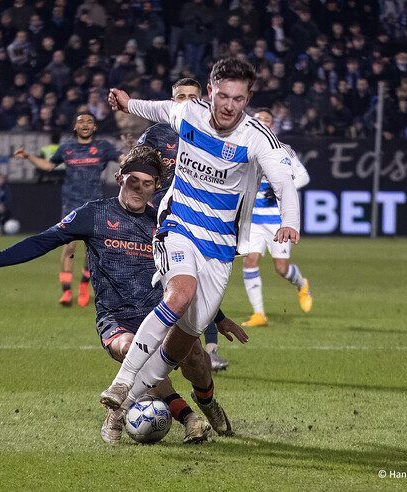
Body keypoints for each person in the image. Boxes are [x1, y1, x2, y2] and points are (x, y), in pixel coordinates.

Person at [0, 146, 246, 444]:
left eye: (147, 184)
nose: (139, 189)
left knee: (197, 361)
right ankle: (183, 417)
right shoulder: (94, 214)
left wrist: (217, 318)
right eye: (133, 181)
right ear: (120, 178)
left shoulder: (164, 223)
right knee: (136, 352)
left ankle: (206, 404)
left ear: (156, 187)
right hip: (115, 319)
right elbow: (44, 240)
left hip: (159, 314)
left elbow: (184, 276)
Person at [99, 58, 301, 423]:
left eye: (238, 99)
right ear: (211, 91)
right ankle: (122, 383)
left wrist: (290, 221)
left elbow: (284, 181)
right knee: (181, 293)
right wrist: (128, 104)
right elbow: (157, 109)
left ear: (248, 98)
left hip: (220, 247)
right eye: (223, 96)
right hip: (178, 225)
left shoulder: (255, 136)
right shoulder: (188, 113)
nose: (228, 106)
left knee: (184, 338)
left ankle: (134, 405)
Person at [137, 77, 229, 371]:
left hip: (202, 217)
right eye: (180, 96)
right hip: (162, 218)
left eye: (192, 96)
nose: (186, 101)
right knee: (169, 286)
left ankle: (207, 350)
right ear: (171, 100)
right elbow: (136, 166)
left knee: (201, 283)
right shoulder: (156, 133)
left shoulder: (216, 132)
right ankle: (155, 348)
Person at [13, 112, 121, 308]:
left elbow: (123, 159)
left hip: (95, 205)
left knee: (93, 251)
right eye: (81, 121)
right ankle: (66, 291)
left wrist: (131, 150)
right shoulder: (67, 148)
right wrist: (28, 156)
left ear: (94, 127)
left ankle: (83, 287)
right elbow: (48, 166)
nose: (85, 124)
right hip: (71, 204)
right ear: (75, 127)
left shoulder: (103, 147)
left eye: (89, 121)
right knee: (69, 248)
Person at [241, 109, 313, 328]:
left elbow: (303, 177)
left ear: (272, 125)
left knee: (281, 268)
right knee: (249, 260)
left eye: (267, 121)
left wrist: (282, 186)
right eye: (258, 120)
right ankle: (259, 314)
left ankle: (301, 283)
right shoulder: (244, 148)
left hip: (276, 221)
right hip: (252, 220)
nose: (263, 123)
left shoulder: (283, 149)